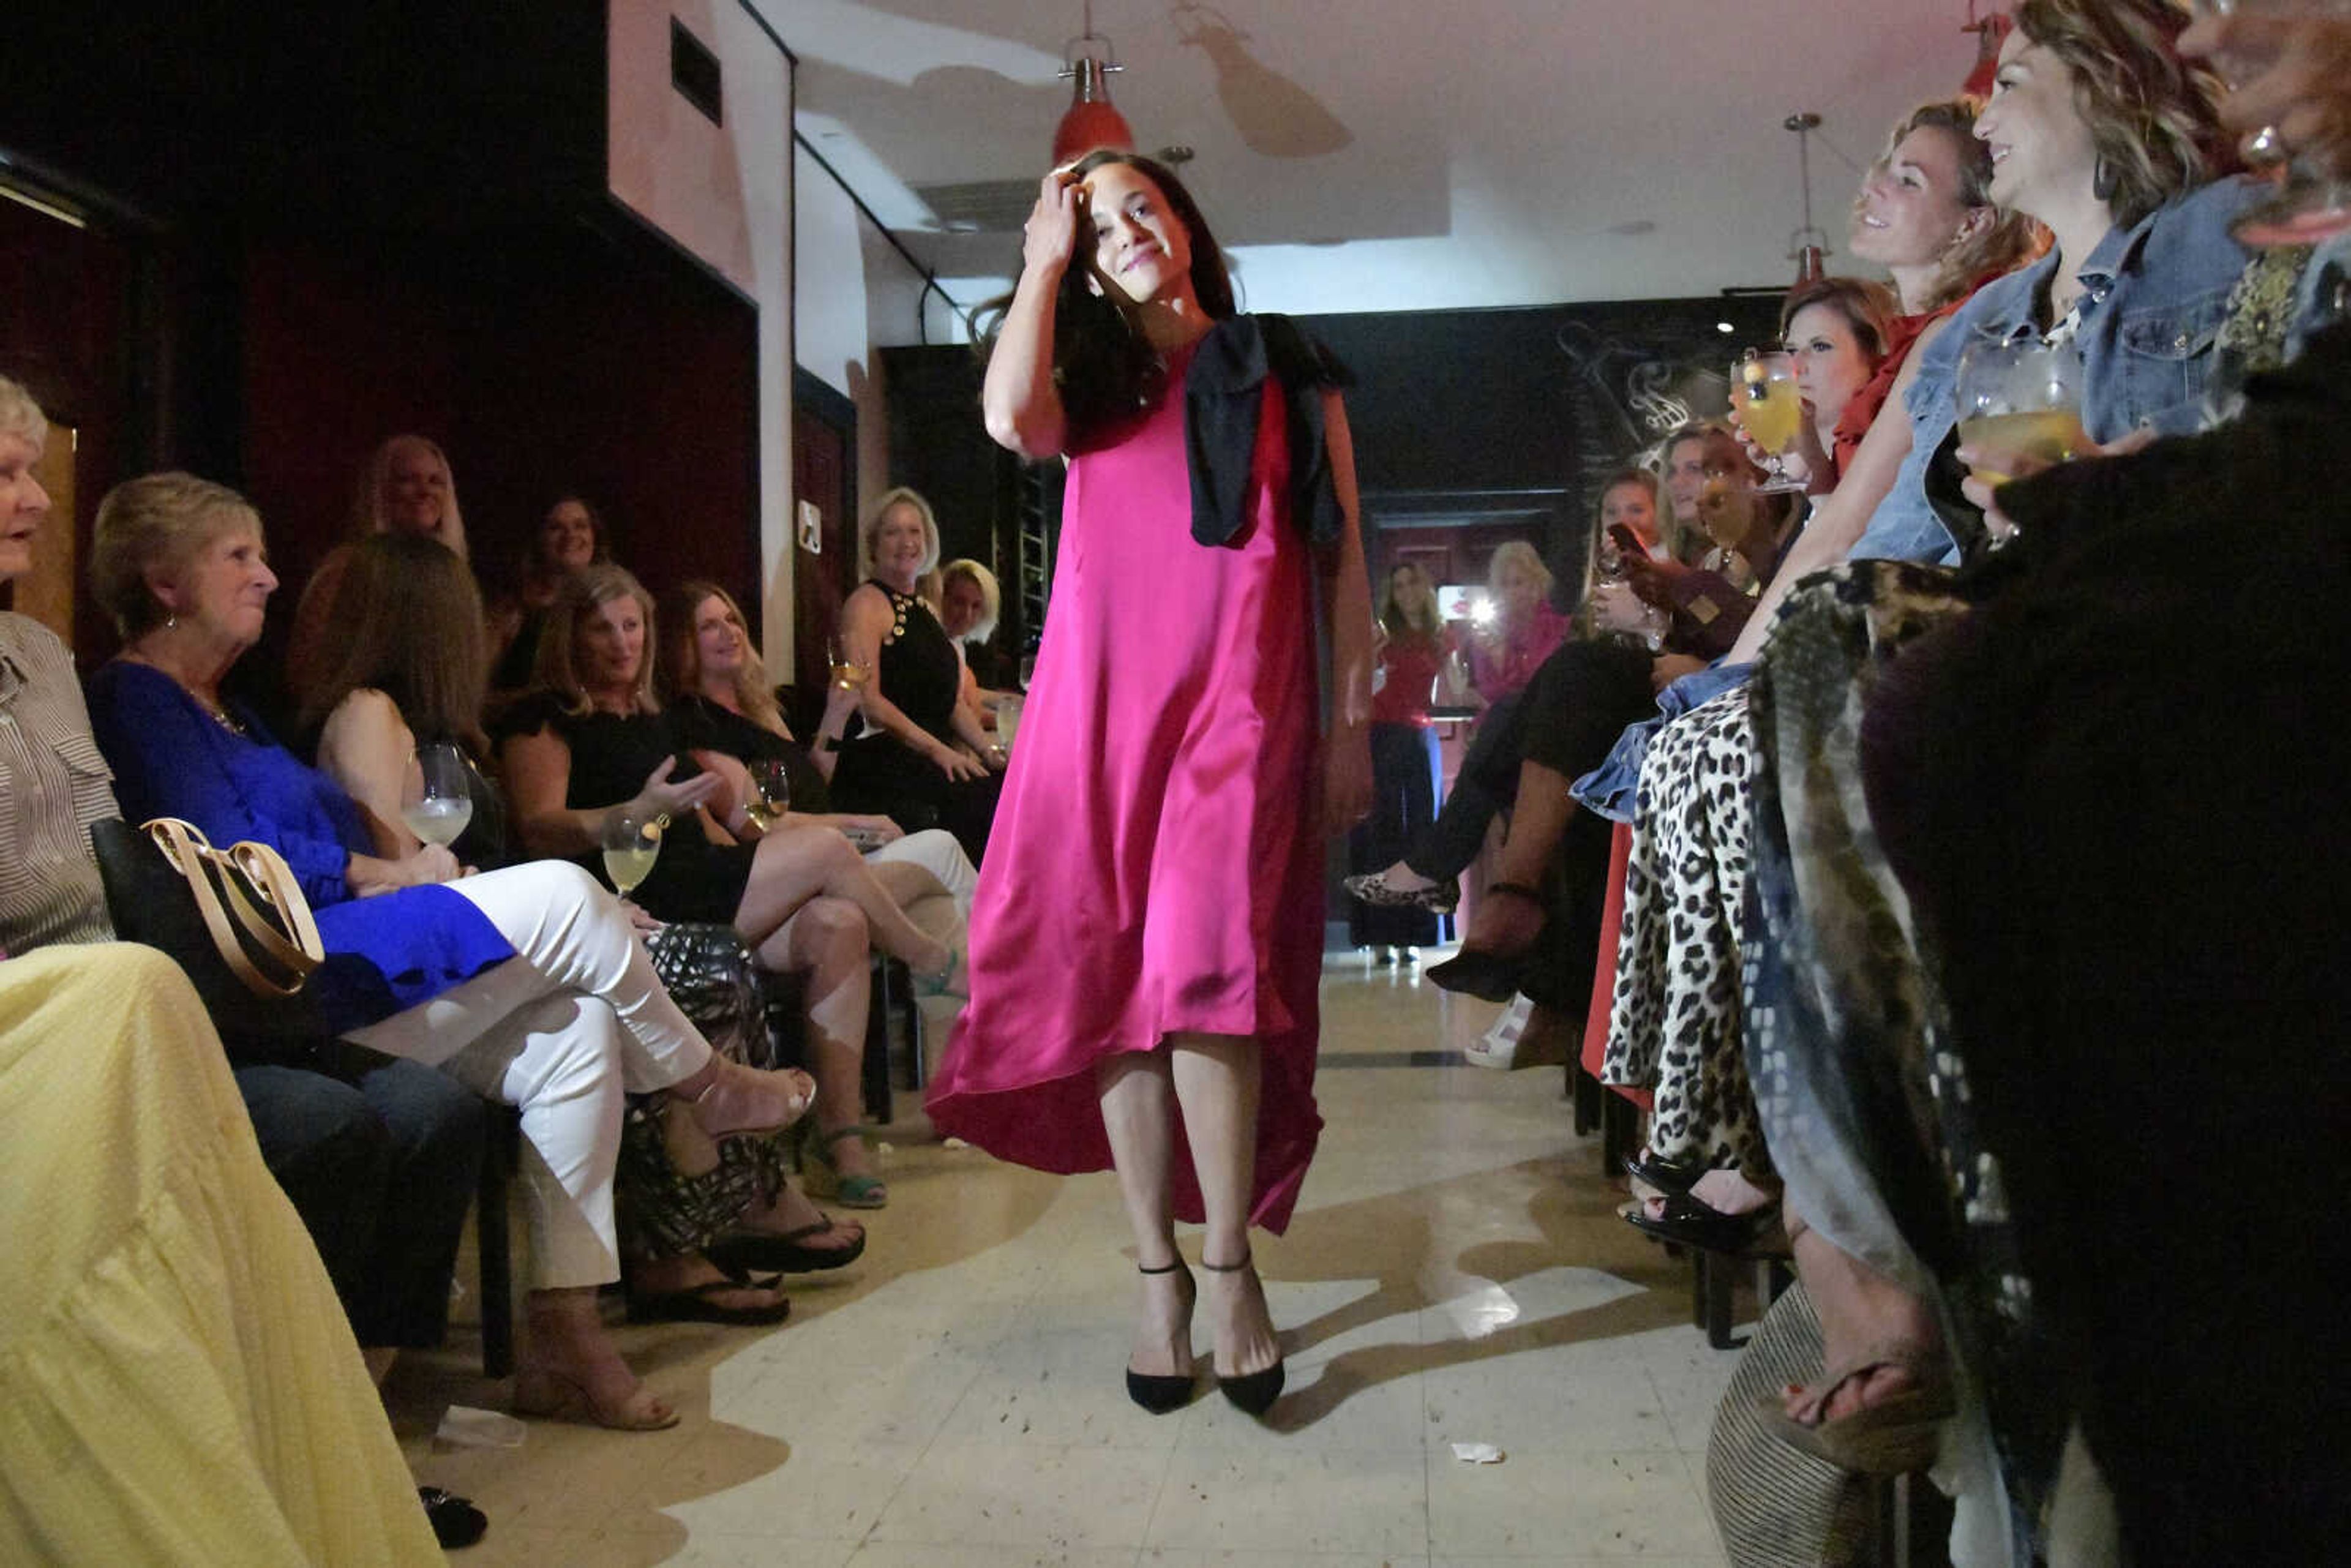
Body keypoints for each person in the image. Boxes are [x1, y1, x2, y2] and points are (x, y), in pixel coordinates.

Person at [1738, 0, 2257, 1525]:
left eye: (2012, 79)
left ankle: (1849, 1259)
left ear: (2110, 97)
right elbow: (1928, 532)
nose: (1985, 99)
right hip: (2024, 642)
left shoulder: (2231, 233)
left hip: (2168, 644)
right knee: (1805, 672)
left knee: (1828, 675)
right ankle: (1866, 1265)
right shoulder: (1992, 325)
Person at [81, 471, 817, 1433]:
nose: (268, 576)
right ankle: (706, 1086)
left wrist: (408, 861)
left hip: (339, 951)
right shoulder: (138, 696)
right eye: (239, 557)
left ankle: (564, 1334)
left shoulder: (230, 708)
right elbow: (230, 860)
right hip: (289, 974)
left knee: (580, 1030)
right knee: (565, 892)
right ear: (163, 582)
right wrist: (392, 872)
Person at [0, 375, 489, 1547]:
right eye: (9, 472)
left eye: (30, 467)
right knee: (326, 1117)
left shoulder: (34, 653)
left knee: (428, 1105)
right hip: (44, 1022)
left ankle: (330, 1435)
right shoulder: (131, 686)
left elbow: (122, 857)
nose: (35, 495)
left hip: (131, 993)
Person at [930, 148, 1373, 1419]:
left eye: (1142, 204)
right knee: (1119, 980)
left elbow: (1342, 560)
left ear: (1184, 219)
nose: (1124, 227)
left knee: (1210, 970)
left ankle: (1229, 1266)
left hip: (1240, 709)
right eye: (1097, 218)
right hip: (1095, 715)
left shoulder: (1287, 365)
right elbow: (1009, 420)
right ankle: (1156, 1273)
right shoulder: (1090, 378)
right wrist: (1041, 257)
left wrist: (1348, 722)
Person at [307, 534, 858, 1310]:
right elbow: (410, 878)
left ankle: (725, 1210)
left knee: (702, 962)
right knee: (698, 968)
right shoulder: (373, 714)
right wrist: (587, 911)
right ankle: (674, 1239)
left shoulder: (428, 726)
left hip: (472, 939)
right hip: (418, 970)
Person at [500, 563, 959, 1209]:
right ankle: (935, 962)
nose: (621, 641)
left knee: (841, 924)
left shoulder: (649, 717)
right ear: (570, 637)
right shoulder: (543, 718)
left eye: (631, 625)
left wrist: (773, 859)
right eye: (602, 629)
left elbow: (717, 834)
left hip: (708, 877)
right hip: (647, 897)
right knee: (829, 848)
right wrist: (635, 812)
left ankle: (842, 1139)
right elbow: (539, 826)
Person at [658, 579, 978, 918]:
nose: (730, 632)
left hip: (831, 849)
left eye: (732, 620)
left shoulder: (758, 707)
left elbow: (811, 785)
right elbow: (759, 824)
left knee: (938, 905)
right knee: (941, 852)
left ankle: (957, 968)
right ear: (682, 644)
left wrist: (837, 713)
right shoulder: (697, 724)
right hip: (793, 873)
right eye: (710, 626)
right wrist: (859, 825)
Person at [1341, 537, 1570, 912]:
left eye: (1521, 581)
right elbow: (1486, 695)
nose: (1514, 591)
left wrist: (1495, 670)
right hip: (1450, 738)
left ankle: (1433, 872)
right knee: (1472, 822)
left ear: (1538, 583)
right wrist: (1492, 658)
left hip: (1540, 740)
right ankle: (1443, 886)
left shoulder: (1559, 629)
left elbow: (1536, 693)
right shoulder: (1481, 638)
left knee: (1438, 809)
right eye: (1505, 584)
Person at [828, 489, 1006, 866]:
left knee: (1012, 786)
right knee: (983, 805)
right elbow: (870, 701)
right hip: (885, 759)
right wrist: (936, 750)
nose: (906, 542)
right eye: (893, 533)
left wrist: (989, 752)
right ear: (874, 544)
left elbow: (949, 702)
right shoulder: (866, 604)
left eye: (915, 531)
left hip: (930, 754)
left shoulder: (925, 608)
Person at [286, 434, 468, 707]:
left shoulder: (451, 575)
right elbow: (306, 670)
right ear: (380, 489)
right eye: (408, 480)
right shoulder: (348, 567)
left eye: (435, 481)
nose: (425, 491)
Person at [1348, 561, 1455, 959]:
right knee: (1382, 831)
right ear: (1391, 594)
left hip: (1420, 737)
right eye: (1398, 585)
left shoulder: (1441, 635)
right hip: (1381, 736)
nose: (1406, 591)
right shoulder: (1381, 634)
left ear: (1424, 587)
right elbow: (1362, 689)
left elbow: (1456, 690)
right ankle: (1379, 939)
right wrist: (1374, 658)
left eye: (1412, 582)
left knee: (1421, 832)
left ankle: (1416, 933)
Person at [487, 493, 605, 698]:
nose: (570, 536)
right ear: (538, 539)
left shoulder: (613, 602)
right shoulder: (513, 608)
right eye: (556, 528)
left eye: (580, 526)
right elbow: (478, 688)